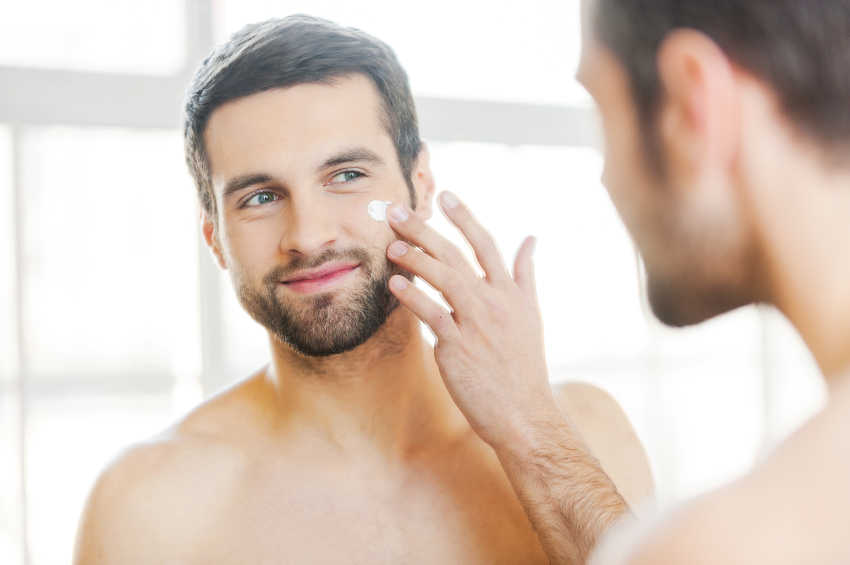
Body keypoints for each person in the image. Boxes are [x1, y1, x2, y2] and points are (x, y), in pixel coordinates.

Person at [72, 15, 653, 564]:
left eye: (347, 175)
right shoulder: (149, 507)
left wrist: (533, 435)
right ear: (215, 239)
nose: (308, 235)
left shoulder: (581, 433)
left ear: (419, 186)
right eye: (260, 197)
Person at [382, 0, 850, 563]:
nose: (607, 175)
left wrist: (533, 430)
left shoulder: (732, 543)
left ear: (692, 103)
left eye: (604, 112)